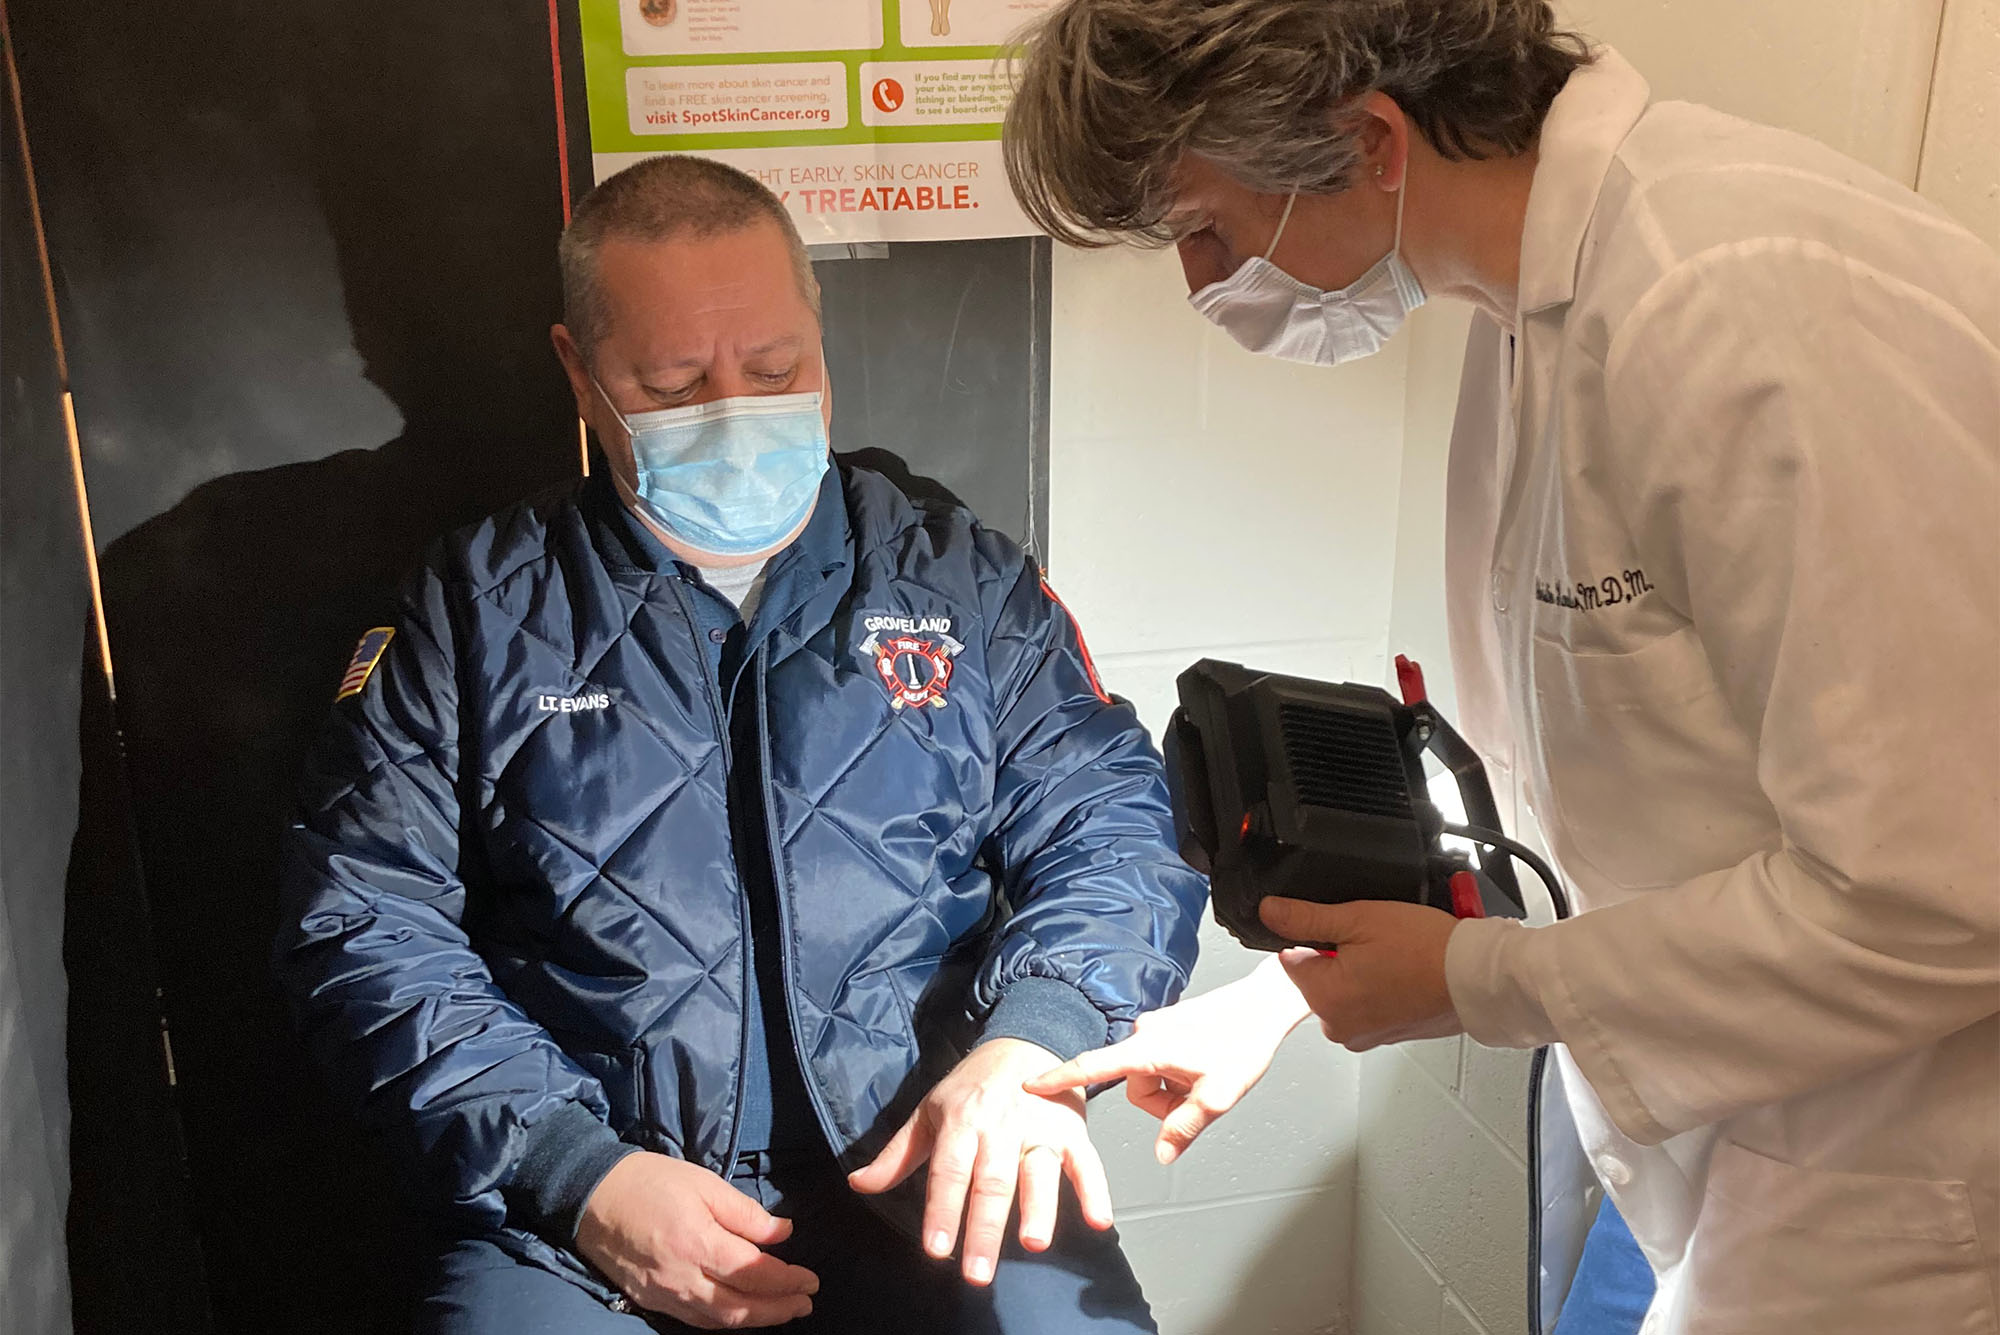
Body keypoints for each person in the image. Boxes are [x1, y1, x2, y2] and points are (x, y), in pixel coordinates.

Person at [1001, 3, 2000, 1333]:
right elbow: (1573, 803)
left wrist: (1477, 981)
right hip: (1733, 1147)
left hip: (1909, 1184)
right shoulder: (1525, 320)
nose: (1200, 282)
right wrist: (1287, 996)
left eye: (1206, 227)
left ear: (1368, 142)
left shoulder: (1742, 302)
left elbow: (1937, 893)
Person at [273, 153, 1205, 1334]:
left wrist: (1037, 1037)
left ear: (818, 334)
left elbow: (1112, 823)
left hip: (931, 1152)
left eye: (772, 369)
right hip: (583, 1203)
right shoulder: (473, 611)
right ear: (578, 369)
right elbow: (363, 924)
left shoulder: (959, 577)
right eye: (672, 381)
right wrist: (574, 1173)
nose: (732, 409)